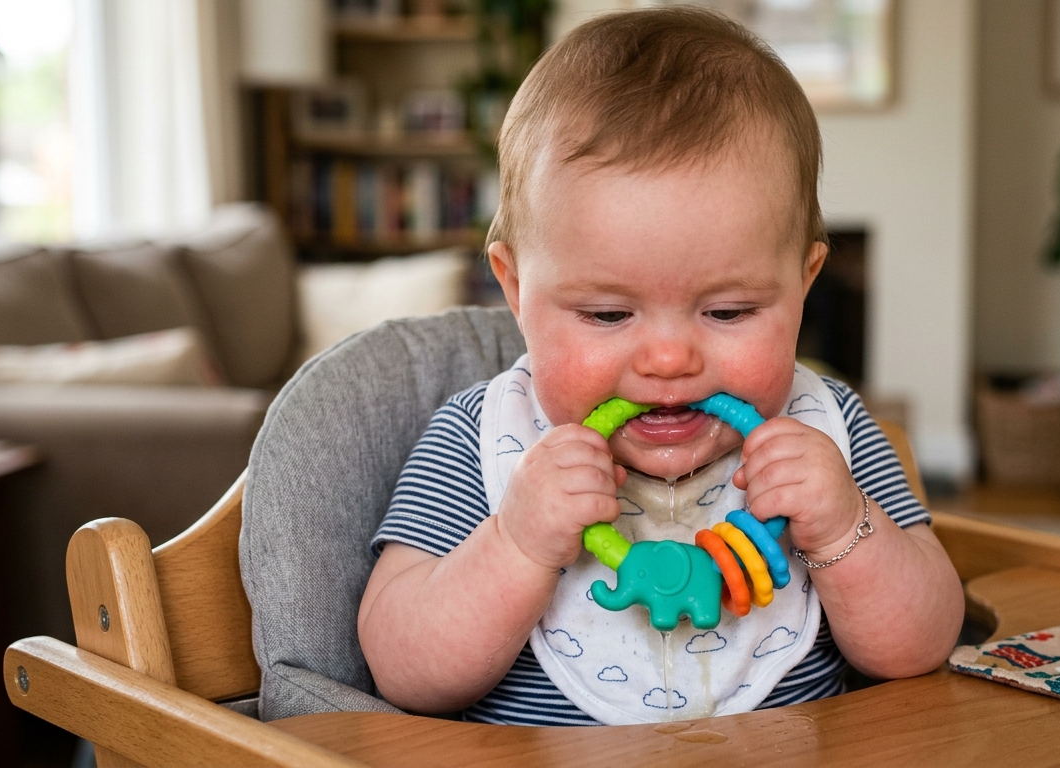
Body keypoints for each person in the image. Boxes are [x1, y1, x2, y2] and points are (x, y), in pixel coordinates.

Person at [358, 6, 964, 726]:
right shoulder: (478, 439)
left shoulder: (829, 431)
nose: (671, 359)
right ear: (516, 291)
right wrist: (516, 542)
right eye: (609, 316)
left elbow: (924, 644)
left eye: (730, 312)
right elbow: (400, 669)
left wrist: (842, 529)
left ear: (804, 285)